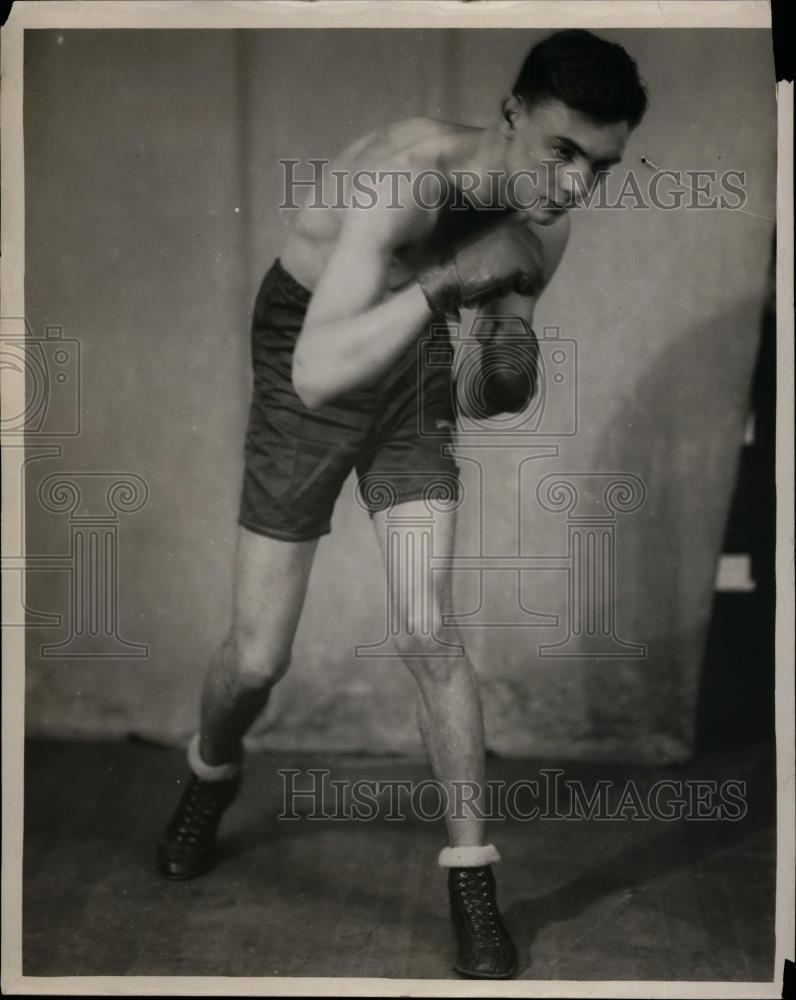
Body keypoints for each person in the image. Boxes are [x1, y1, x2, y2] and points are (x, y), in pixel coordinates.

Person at [157, 29, 648, 980]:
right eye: (562, 150)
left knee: (429, 630)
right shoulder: (402, 177)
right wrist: (447, 283)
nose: (578, 183)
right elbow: (313, 373)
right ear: (512, 111)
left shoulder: (549, 220)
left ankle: (473, 883)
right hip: (315, 356)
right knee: (258, 657)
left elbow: (501, 338)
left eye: (602, 163)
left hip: (411, 377)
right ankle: (209, 772)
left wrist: (510, 358)